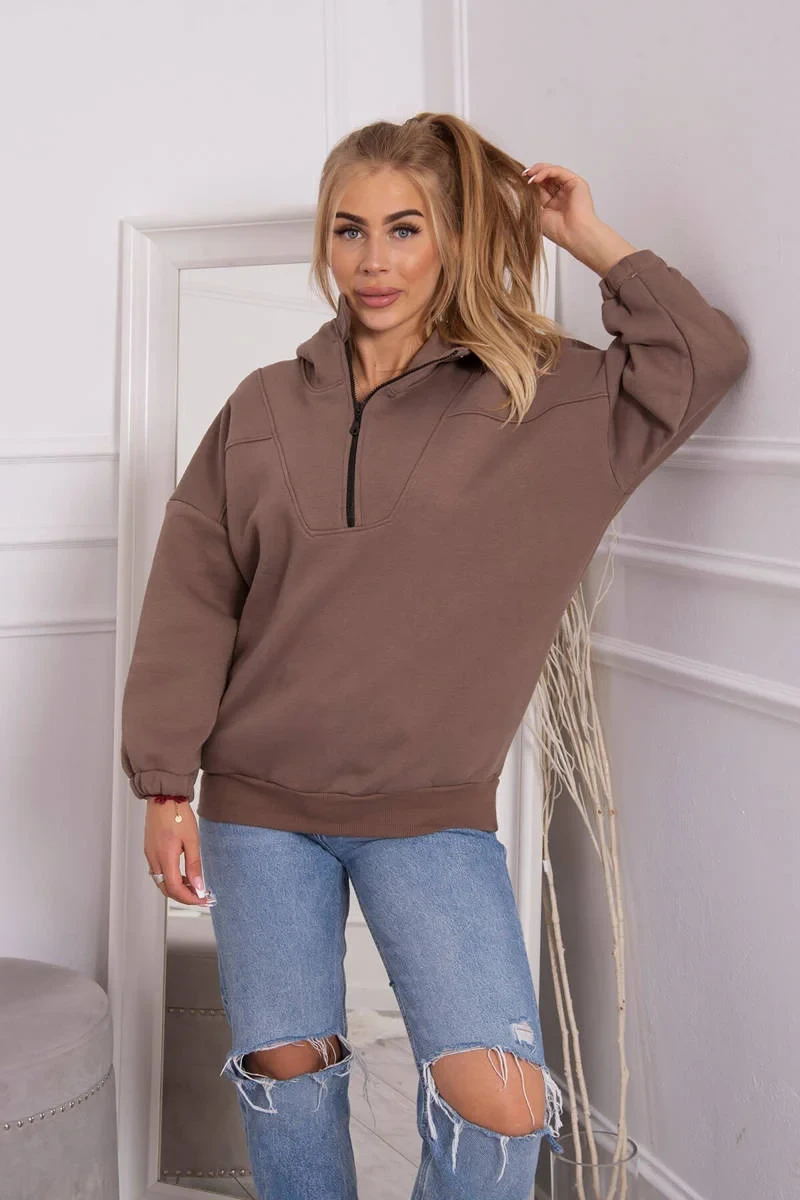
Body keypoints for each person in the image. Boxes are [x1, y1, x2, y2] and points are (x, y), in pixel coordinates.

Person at [120, 112, 749, 1199]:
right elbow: (193, 593)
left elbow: (701, 359)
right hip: (256, 810)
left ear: (450, 238)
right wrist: (166, 785)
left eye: (404, 229)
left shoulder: (537, 395)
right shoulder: (262, 405)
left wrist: (585, 237)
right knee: (287, 1081)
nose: (374, 261)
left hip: (428, 814)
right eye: (350, 230)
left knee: (501, 1102)